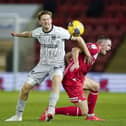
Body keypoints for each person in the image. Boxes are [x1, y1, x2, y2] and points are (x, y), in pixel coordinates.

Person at [5, 10, 92, 122]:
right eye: (43, 20)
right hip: (42, 65)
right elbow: (28, 34)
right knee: (25, 89)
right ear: (40, 22)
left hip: (57, 65)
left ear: (51, 20)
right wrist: (17, 34)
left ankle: (51, 110)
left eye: (48, 19)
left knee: (56, 80)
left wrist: (87, 53)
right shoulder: (38, 32)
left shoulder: (60, 31)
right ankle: (18, 116)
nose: (46, 21)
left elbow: (78, 38)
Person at [40, 36, 112, 121]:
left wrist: (71, 64)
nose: (109, 48)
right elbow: (75, 49)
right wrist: (76, 63)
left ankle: (91, 116)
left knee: (95, 86)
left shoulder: (92, 49)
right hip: (72, 80)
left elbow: (67, 55)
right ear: (102, 44)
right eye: (108, 45)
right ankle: (51, 111)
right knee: (84, 111)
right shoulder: (94, 48)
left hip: (78, 78)